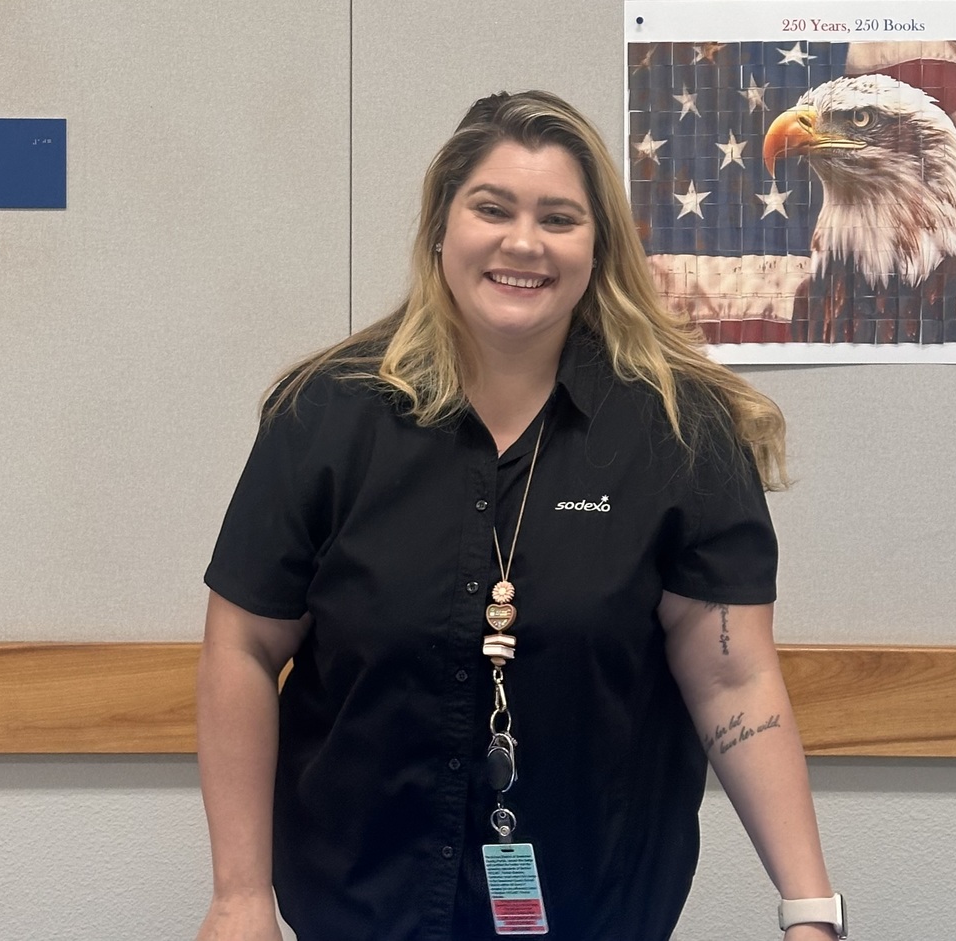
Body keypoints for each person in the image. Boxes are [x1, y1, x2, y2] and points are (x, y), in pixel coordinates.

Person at [195, 90, 843, 941]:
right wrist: (240, 895)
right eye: (492, 209)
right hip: (357, 912)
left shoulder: (682, 433)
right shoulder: (327, 415)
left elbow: (734, 677)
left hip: (596, 912)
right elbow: (242, 647)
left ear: (598, 246)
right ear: (441, 226)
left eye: (559, 218)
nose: (524, 242)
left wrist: (809, 911)